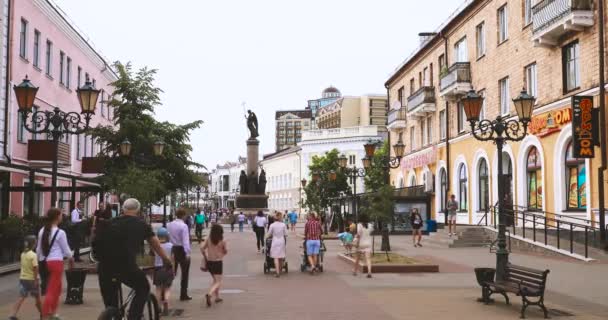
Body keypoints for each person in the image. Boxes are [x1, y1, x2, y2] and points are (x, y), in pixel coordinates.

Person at [95, 198, 172, 320]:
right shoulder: (141, 224)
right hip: (126, 267)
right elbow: (155, 244)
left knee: (111, 306)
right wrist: (166, 260)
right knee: (143, 287)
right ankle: (133, 317)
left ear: (123, 209)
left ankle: (112, 313)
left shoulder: (109, 223)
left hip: (104, 267)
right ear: (138, 210)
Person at [37, 208, 74, 320]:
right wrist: (71, 259)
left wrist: (38, 262)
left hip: (44, 261)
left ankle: (53, 314)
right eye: (61, 215)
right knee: (52, 290)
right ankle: (44, 315)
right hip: (56, 262)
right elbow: (66, 249)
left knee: (56, 288)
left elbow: (38, 248)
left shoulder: (42, 230)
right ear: (57, 217)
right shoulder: (60, 232)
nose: (62, 216)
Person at [8, 235, 42, 320]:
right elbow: (35, 268)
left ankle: (13, 314)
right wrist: (36, 280)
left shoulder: (23, 254)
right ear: (33, 244)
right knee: (37, 298)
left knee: (21, 297)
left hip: (23, 279)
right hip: (32, 279)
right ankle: (42, 314)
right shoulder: (33, 255)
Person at [167, 208, 192, 301]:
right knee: (184, 273)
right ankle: (183, 294)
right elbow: (185, 241)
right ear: (184, 215)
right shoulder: (183, 226)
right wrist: (187, 252)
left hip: (171, 248)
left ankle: (165, 290)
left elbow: (167, 236)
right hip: (181, 249)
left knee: (171, 272)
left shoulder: (169, 225)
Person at [200, 224, 228, 307]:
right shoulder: (222, 240)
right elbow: (225, 251)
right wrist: (223, 252)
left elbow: (202, 248)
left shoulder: (209, 239)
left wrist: (205, 256)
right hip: (218, 262)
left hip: (210, 262)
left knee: (215, 280)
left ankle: (217, 297)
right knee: (218, 281)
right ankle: (209, 294)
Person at [153, 228, 174, 316]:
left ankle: (158, 307)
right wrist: (174, 269)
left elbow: (151, 258)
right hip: (168, 268)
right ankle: (166, 301)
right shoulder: (171, 245)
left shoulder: (155, 245)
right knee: (167, 288)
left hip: (157, 269)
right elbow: (173, 259)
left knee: (158, 289)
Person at [266, 212, 288, 278]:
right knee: (281, 257)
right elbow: (286, 234)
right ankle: (280, 270)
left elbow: (269, 234)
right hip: (281, 241)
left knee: (275, 257)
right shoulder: (283, 225)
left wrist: (266, 237)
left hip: (275, 241)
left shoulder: (272, 225)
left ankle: (277, 272)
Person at [352, 214, 373, 278]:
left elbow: (358, 235)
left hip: (361, 243)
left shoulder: (359, 225)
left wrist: (356, 242)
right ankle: (369, 272)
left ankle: (355, 271)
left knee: (357, 258)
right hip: (368, 243)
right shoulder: (370, 225)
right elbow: (370, 232)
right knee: (368, 259)